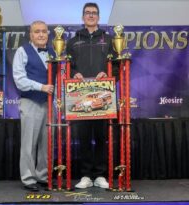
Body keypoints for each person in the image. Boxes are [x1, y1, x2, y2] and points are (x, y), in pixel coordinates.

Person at [66, 2, 115, 189]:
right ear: (82, 17)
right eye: (88, 13)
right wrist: (73, 75)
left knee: (101, 136)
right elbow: (67, 68)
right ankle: (86, 175)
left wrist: (109, 74)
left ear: (99, 17)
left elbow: (117, 66)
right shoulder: (73, 41)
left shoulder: (109, 40)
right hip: (81, 97)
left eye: (94, 13)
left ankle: (100, 175)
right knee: (84, 137)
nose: (91, 16)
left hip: (103, 96)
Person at [13, 20, 55, 192]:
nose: (40, 34)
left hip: (49, 104)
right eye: (37, 31)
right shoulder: (22, 51)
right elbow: (19, 80)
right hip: (30, 102)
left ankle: (43, 176)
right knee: (29, 143)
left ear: (48, 34)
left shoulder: (54, 52)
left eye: (44, 31)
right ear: (30, 34)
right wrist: (41, 87)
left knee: (47, 144)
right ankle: (29, 178)